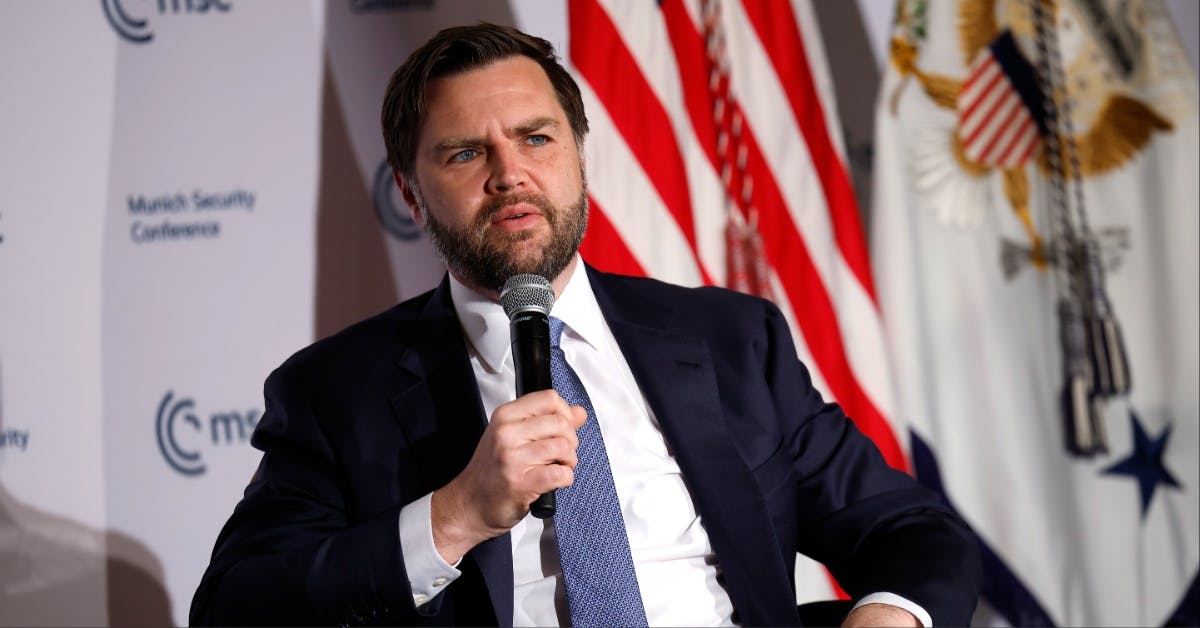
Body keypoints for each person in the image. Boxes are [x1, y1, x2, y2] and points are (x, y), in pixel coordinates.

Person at [190, 23, 980, 627]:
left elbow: (912, 531)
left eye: (536, 139)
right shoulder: (337, 392)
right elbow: (236, 607)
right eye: (465, 154)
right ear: (409, 192)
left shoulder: (731, 342)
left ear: (577, 154)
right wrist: (456, 513)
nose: (511, 175)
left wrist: (886, 616)